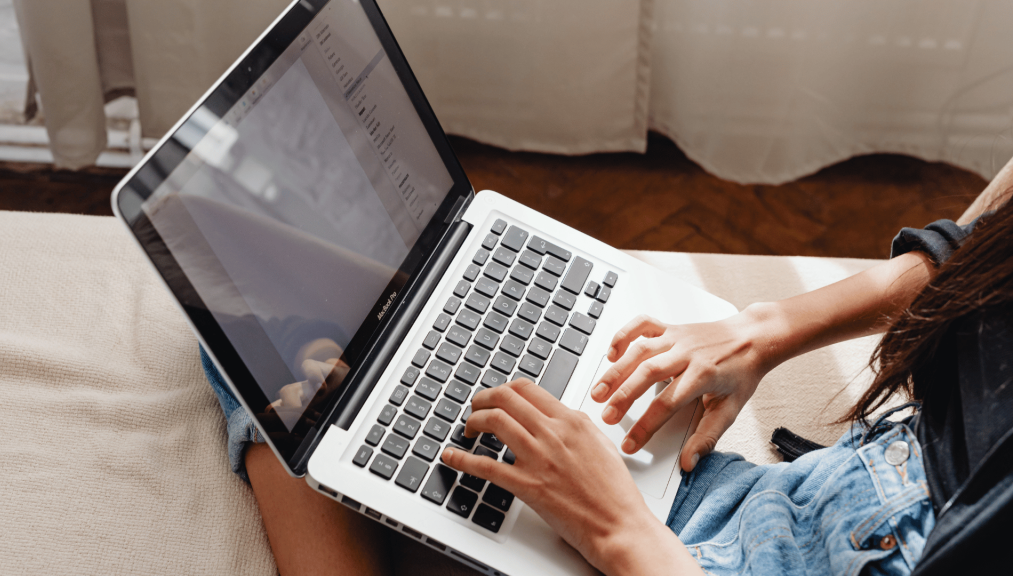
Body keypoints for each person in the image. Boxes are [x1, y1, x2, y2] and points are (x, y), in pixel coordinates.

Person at [204, 160, 1013, 575]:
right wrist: (763, 331)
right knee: (252, 273)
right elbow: (981, 254)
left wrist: (617, 530)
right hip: (798, 499)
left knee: (259, 345)